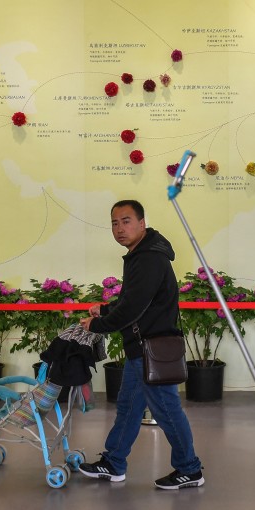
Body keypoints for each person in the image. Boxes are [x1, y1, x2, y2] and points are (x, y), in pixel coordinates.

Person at [78, 199, 204, 489]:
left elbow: (134, 307)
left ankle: (190, 469)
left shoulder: (148, 259)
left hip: (152, 349)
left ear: (141, 223)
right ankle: (114, 463)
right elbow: (136, 301)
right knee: (129, 407)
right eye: (114, 223)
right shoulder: (141, 254)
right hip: (142, 348)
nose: (119, 228)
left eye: (126, 221)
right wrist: (107, 309)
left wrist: (98, 324)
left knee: (167, 411)